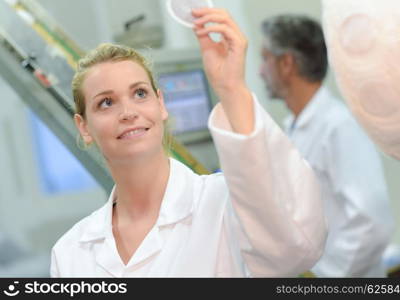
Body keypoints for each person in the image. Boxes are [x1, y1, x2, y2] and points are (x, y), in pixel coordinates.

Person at [50, 8, 326, 277]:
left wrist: (231, 88)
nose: (129, 113)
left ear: (161, 104)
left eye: (140, 93)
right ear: (83, 127)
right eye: (106, 102)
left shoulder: (226, 205)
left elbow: (296, 249)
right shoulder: (70, 252)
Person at [260, 14, 394, 277]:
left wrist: (326, 276)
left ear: (287, 63)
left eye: (265, 58)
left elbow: (374, 223)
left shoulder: (338, 126)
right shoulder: (295, 127)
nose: (260, 70)